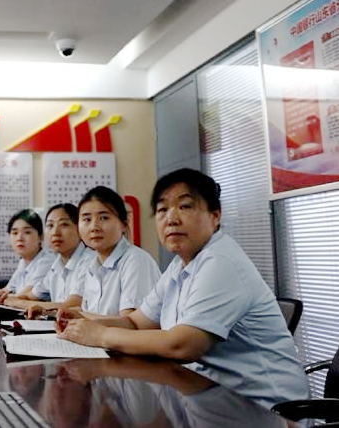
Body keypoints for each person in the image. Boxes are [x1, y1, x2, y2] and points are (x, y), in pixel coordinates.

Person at [58, 168, 308, 409]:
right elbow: (136, 322)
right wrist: (85, 323)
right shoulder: (180, 265)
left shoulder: (220, 261)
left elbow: (183, 345)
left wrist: (100, 335)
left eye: (185, 206)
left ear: (215, 215)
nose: (171, 218)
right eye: (162, 209)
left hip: (263, 407)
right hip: (206, 395)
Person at [76, 186, 160, 316]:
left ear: (124, 224)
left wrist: (82, 319)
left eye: (104, 218)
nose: (94, 227)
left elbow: (130, 321)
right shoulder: (92, 265)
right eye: (87, 219)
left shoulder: (136, 260)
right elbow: (91, 313)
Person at [3, 203, 93, 317]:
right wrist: (12, 298)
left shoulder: (89, 261)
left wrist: (20, 303)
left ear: (80, 229)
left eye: (64, 225)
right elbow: (32, 295)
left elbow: (71, 305)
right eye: (50, 226)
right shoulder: (57, 263)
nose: (55, 233)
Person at [0, 209, 53, 302]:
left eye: (27, 232)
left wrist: (3, 298)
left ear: (41, 237)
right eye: (15, 233)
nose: (19, 238)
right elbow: (6, 291)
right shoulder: (23, 262)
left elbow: (26, 294)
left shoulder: (47, 262)